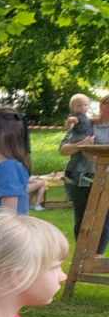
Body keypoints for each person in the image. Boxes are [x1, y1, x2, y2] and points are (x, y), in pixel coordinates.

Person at [57, 94, 107, 253]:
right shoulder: (85, 124)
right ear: (100, 107)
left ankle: (96, 255)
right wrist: (82, 145)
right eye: (105, 106)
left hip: (105, 178)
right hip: (80, 177)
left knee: (105, 217)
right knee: (83, 216)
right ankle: (81, 253)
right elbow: (63, 149)